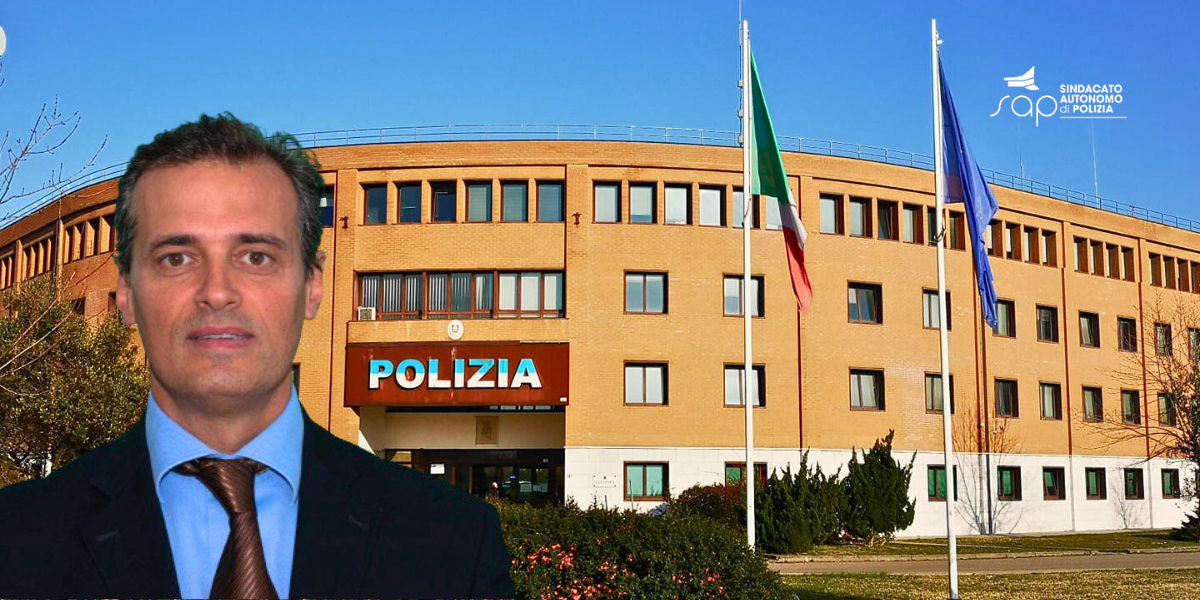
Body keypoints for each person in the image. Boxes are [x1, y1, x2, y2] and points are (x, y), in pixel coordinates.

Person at [0, 113, 516, 599]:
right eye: (176, 258)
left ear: (311, 287)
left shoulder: (455, 545)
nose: (217, 292)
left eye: (256, 256)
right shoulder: (16, 540)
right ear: (127, 294)